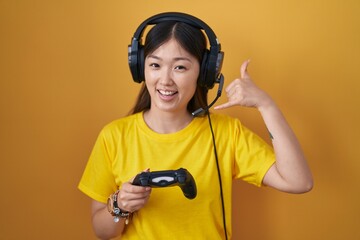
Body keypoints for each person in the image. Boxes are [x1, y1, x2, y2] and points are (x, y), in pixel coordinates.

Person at [78, 12, 313, 240]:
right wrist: (120, 205)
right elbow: (102, 232)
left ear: (204, 73)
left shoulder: (227, 133)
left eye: (180, 67)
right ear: (140, 68)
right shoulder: (114, 136)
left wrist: (266, 105)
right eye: (155, 65)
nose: (165, 79)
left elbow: (298, 181)